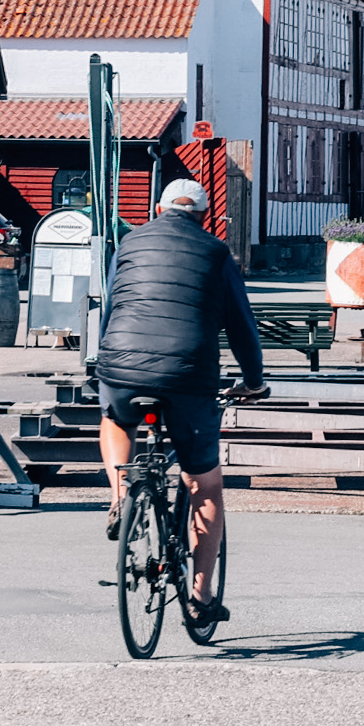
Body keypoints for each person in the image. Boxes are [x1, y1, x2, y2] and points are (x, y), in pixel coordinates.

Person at [93, 178, 267, 622]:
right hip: (188, 373)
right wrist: (253, 381)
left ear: (157, 208)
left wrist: (110, 362)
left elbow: (115, 307)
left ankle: (120, 497)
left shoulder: (129, 243)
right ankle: (201, 598)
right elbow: (242, 326)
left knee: (115, 420)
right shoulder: (215, 252)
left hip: (121, 366)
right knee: (204, 484)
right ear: (204, 216)